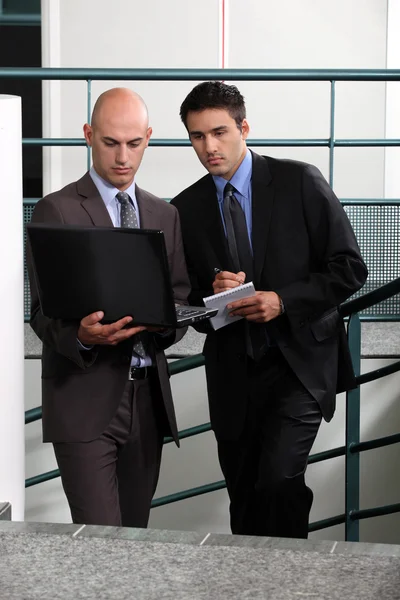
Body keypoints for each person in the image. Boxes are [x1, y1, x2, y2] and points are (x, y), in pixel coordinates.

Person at [171, 81, 368, 539]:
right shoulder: (185, 208)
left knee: (279, 481)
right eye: (197, 137)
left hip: (299, 362)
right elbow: (187, 300)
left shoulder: (299, 180)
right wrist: (212, 293)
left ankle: (287, 581)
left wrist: (283, 300)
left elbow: (349, 268)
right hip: (232, 373)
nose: (209, 147)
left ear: (244, 127)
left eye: (219, 132)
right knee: (245, 493)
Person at [28, 87, 190, 527]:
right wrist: (81, 336)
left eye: (134, 143)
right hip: (83, 397)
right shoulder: (55, 210)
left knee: (134, 539)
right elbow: (41, 313)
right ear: (88, 135)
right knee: (100, 540)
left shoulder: (165, 215)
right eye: (110, 142)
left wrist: (166, 323)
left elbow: (178, 304)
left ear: (149, 138)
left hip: (148, 400)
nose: (123, 156)